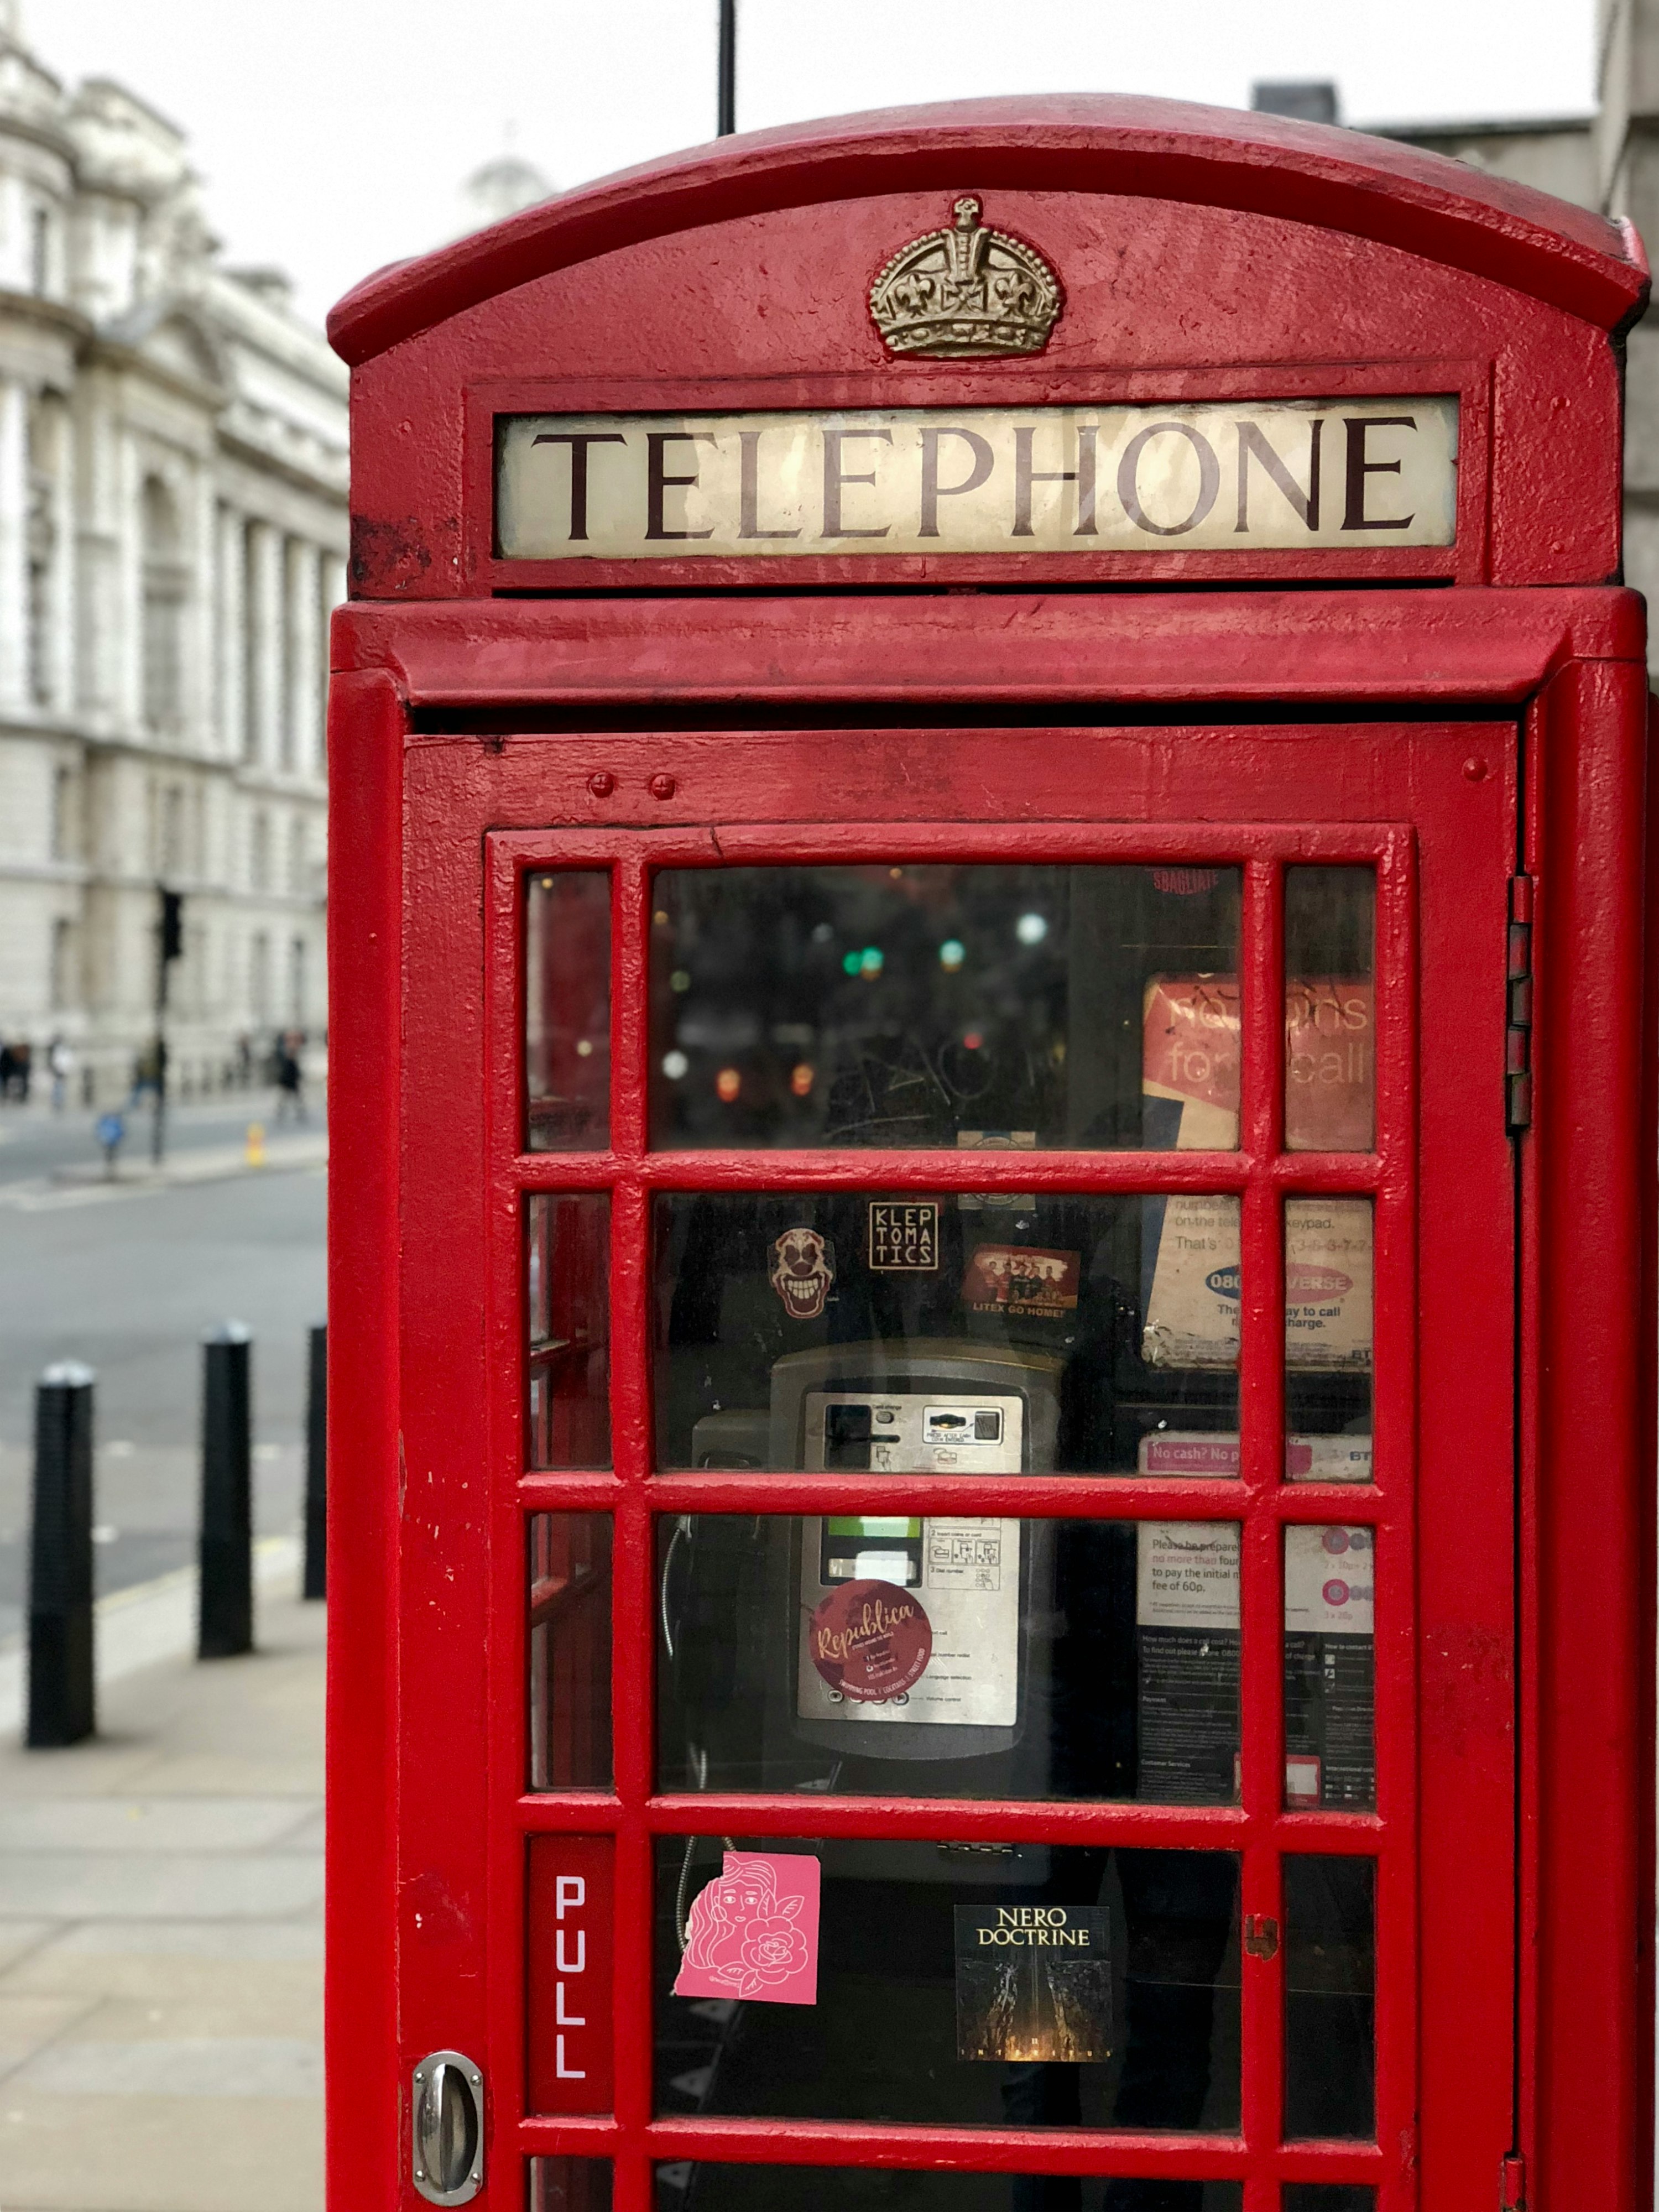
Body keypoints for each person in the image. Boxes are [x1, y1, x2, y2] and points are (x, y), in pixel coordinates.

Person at [275, 1031, 306, 1124]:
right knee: (285, 1099)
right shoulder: (287, 1059)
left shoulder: (291, 1060)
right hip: (288, 1082)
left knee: (296, 1099)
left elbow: (296, 1072)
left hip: (292, 1082)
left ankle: (299, 1113)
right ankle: (281, 1112)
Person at [48, 1035, 74, 1113]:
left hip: (61, 1070)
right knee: (58, 1086)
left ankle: (59, 1101)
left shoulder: (62, 1050)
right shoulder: (57, 1049)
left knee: (60, 1086)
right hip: (59, 1070)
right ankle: (57, 1101)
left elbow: (66, 1061)